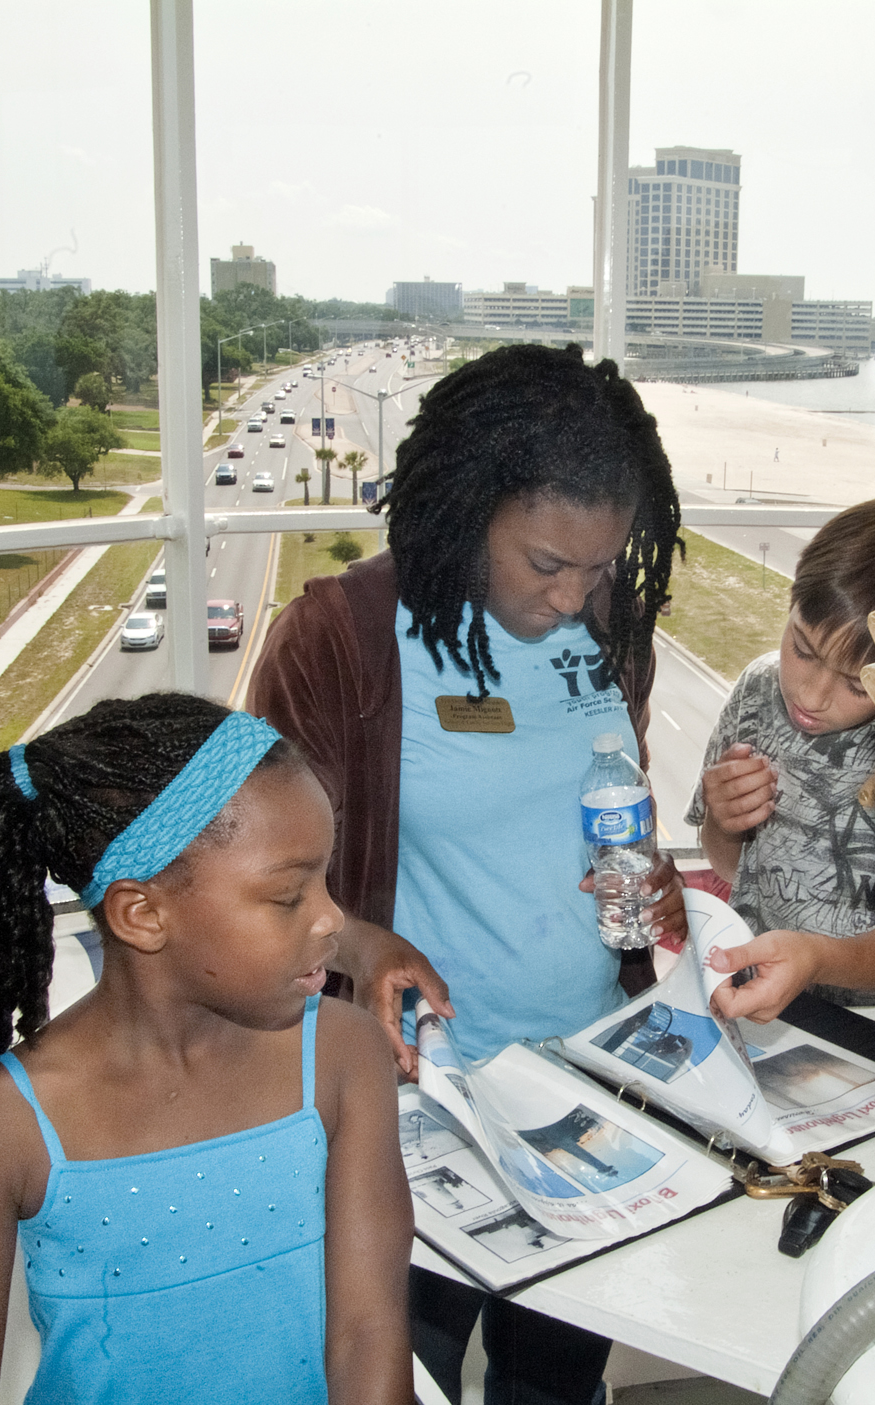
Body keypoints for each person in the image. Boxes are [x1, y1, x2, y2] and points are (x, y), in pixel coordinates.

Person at [249, 342, 684, 1405]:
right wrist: (361, 941)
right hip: (413, 1102)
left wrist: (652, 881)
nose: (579, 598)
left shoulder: (612, 633)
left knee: (553, 1379)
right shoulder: (340, 638)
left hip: (587, 1083)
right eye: (546, 564)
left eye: (601, 565)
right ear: (465, 507)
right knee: (406, 1369)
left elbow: (598, 808)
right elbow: (256, 885)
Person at [0, 696, 409, 1405]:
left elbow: (367, 1333)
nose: (331, 917)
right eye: (289, 895)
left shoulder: (343, 1053)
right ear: (142, 914)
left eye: (325, 876)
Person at [691, 497, 875, 1021]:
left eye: (857, 684)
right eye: (802, 649)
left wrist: (817, 960)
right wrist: (724, 822)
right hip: (762, 994)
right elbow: (730, 865)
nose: (813, 696)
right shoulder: (758, 689)